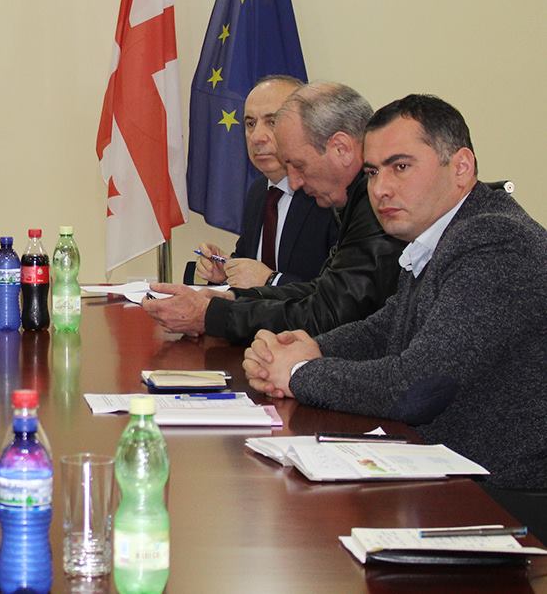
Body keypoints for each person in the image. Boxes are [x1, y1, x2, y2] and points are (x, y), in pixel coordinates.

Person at [243, 95, 547, 498]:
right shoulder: (442, 234)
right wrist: (308, 347)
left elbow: (416, 388)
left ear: (461, 167)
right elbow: (385, 329)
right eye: (372, 172)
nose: (380, 189)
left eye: (400, 167)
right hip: (446, 475)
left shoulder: (495, 240)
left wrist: (299, 373)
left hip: (501, 498)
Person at [145, 82, 404, 342]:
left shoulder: (378, 202)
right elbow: (323, 291)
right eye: (250, 123)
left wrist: (212, 315)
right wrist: (233, 298)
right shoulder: (349, 196)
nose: (294, 182)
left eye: (299, 166)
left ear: (341, 148)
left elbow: (330, 313)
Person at [193, 76, 338, 288]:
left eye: (272, 122)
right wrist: (227, 270)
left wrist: (271, 280)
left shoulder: (330, 195)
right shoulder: (259, 191)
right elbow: (252, 266)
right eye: (250, 124)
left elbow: (340, 293)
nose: (256, 137)